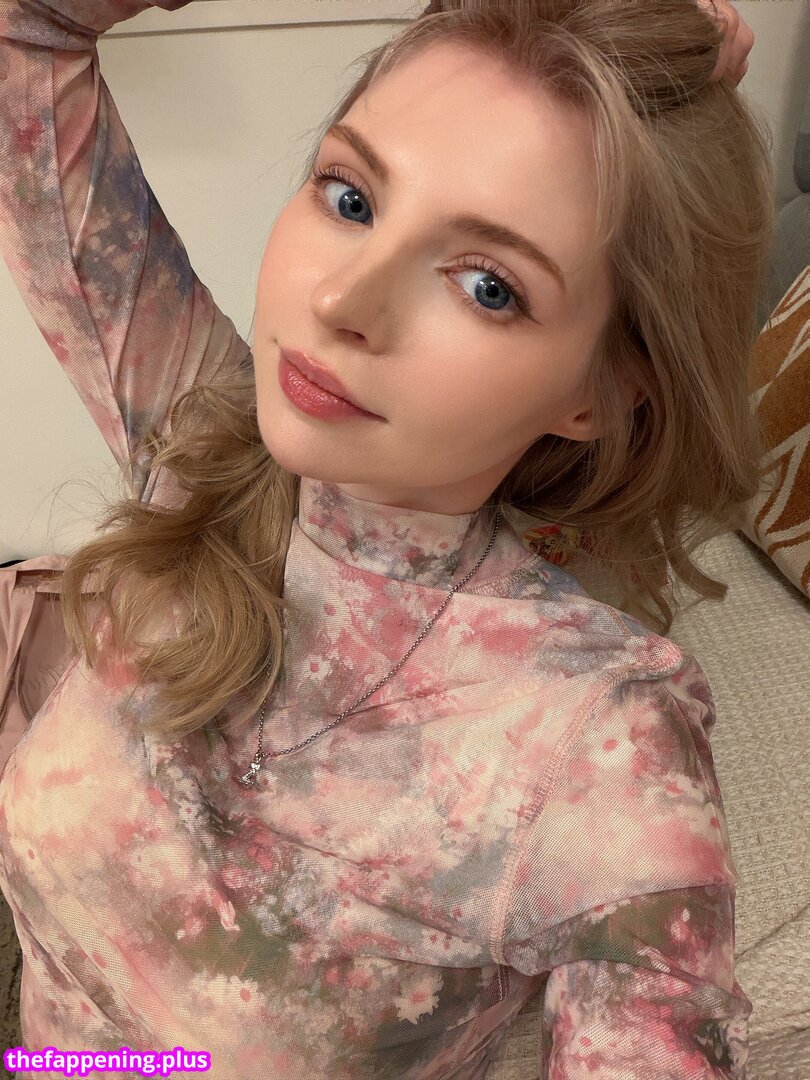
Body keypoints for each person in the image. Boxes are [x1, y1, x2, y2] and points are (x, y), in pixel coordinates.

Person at [0, 1, 769, 1078]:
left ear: (599, 392)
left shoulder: (601, 743)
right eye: (351, 198)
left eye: (489, 287)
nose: (342, 299)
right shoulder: (202, 437)